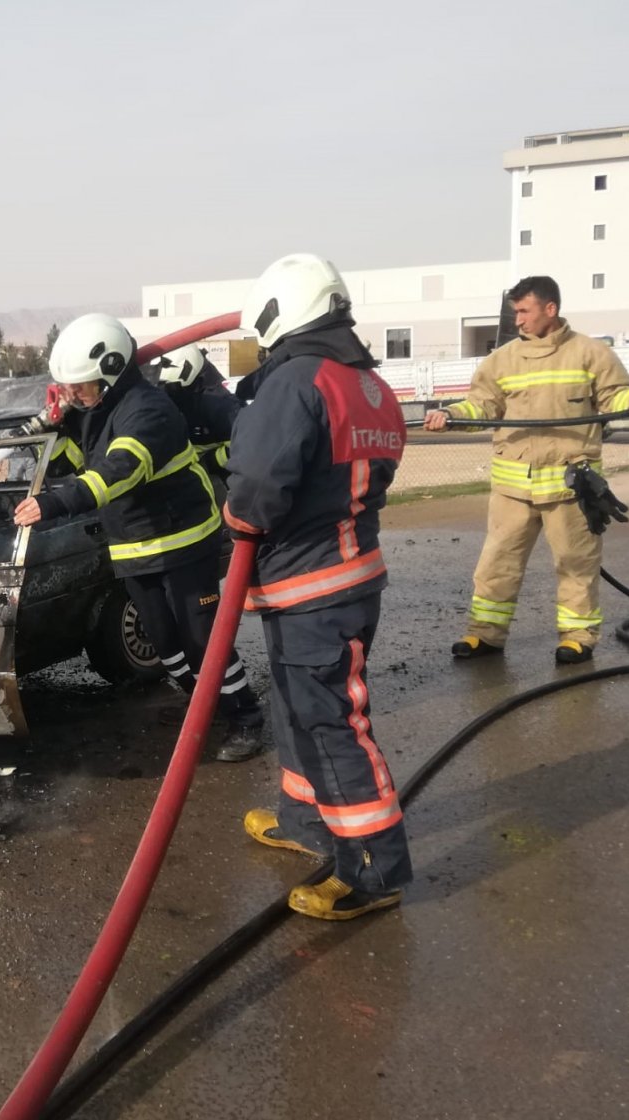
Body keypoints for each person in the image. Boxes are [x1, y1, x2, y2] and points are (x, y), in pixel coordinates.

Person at [224, 254, 412, 921]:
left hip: (310, 587)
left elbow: (255, 489)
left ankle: (373, 869)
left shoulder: (295, 381)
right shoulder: (369, 387)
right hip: (348, 576)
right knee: (299, 711)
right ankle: (306, 821)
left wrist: (235, 522)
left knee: (332, 725)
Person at [13, 313, 263, 762]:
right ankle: (203, 707)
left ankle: (244, 717)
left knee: (202, 641)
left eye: (82, 387)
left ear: (111, 372)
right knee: (166, 644)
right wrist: (48, 434)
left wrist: (54, 504)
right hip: (133, 545)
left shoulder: (149, 410)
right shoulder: (94, 411)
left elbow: (119, 470)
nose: (75, 397)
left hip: (183, 540)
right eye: (69, 389)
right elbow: (73, 461)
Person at [424, 275, 629, 664]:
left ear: (550, 309)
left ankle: (578, 637)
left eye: (524, 311)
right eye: (514, 311)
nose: (517, 320)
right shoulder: (501, 360)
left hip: (572, 489)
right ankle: (484, 635)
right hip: (512, 490)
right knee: (496, 564)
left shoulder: (590, 354)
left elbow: (617, 396)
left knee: (576, 565)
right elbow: (481, 406)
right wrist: (451, 415)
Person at [156, 342, 238, 487]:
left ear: (187, 371)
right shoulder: (177, 394)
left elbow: (243, 444)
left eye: (170, 386)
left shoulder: (219, 404)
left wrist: (210, 462)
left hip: (217, 477)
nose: (166, 392)